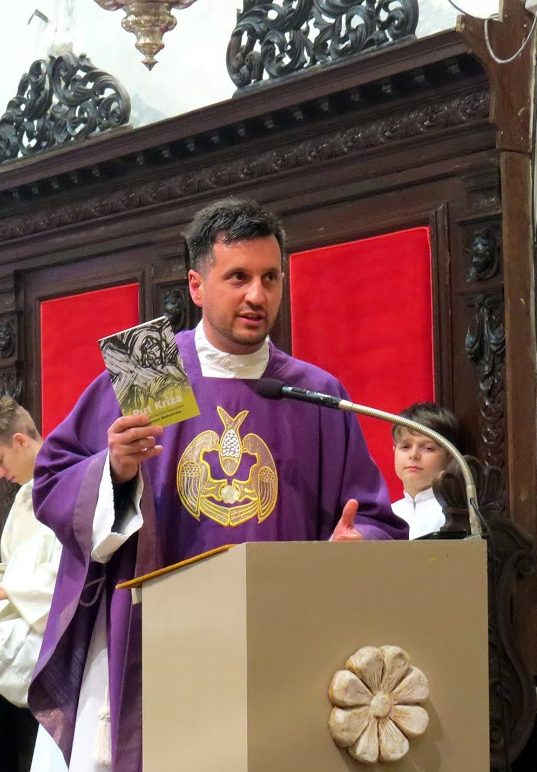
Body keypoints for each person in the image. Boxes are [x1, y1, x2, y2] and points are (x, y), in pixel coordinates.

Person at [29, 198, 408, 772]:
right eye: (238, 277)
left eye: (270, 278)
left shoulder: (314, 392)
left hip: (279, 640)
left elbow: (375, 519)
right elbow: (53, 479)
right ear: (196, 285)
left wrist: (357, 549)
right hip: (158, 638)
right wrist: (114, 470)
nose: (257, 295)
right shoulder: (152, 369)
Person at [0, 397, 62, 772]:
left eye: (1, 459)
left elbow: (70, 573)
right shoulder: (25, 497)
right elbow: (9, 563)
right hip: (20, 619)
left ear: (20, 441)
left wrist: (9, 591)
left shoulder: (68, 482)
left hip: (50, 626)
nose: (1, 472)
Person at [391, 401, 462, 539]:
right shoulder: (388, 515)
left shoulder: (457, 516)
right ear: (394, 451)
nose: (413, 455)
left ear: (450, 457)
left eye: (428, 448)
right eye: (405, 447)